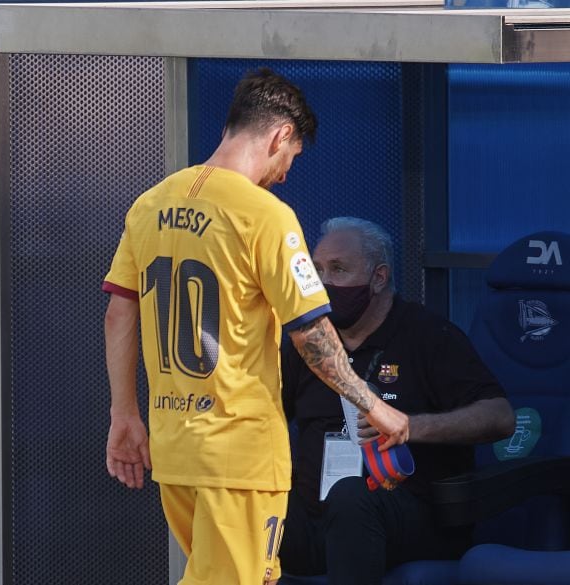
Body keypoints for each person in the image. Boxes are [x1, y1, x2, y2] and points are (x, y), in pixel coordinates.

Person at [102, 68, 410, 585]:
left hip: (176, 445)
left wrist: (123, 415)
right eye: (291, 159)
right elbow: (311, 333)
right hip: (237, 451)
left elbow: (118, 312)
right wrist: (374, 405)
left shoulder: (150, 203)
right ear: (280, 135)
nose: (286, 174)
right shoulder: (265, 215)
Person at [278, 217, 515, 585]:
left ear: (379, 277)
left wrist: (410, 426)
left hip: (409, 518)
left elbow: (499, 417)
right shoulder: (309, 345)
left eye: (338, 270)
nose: (324, 284)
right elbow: (267, 415)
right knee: (248, 495)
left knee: (351, 497)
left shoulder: (429, 336)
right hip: (315, 520)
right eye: (317, 270)